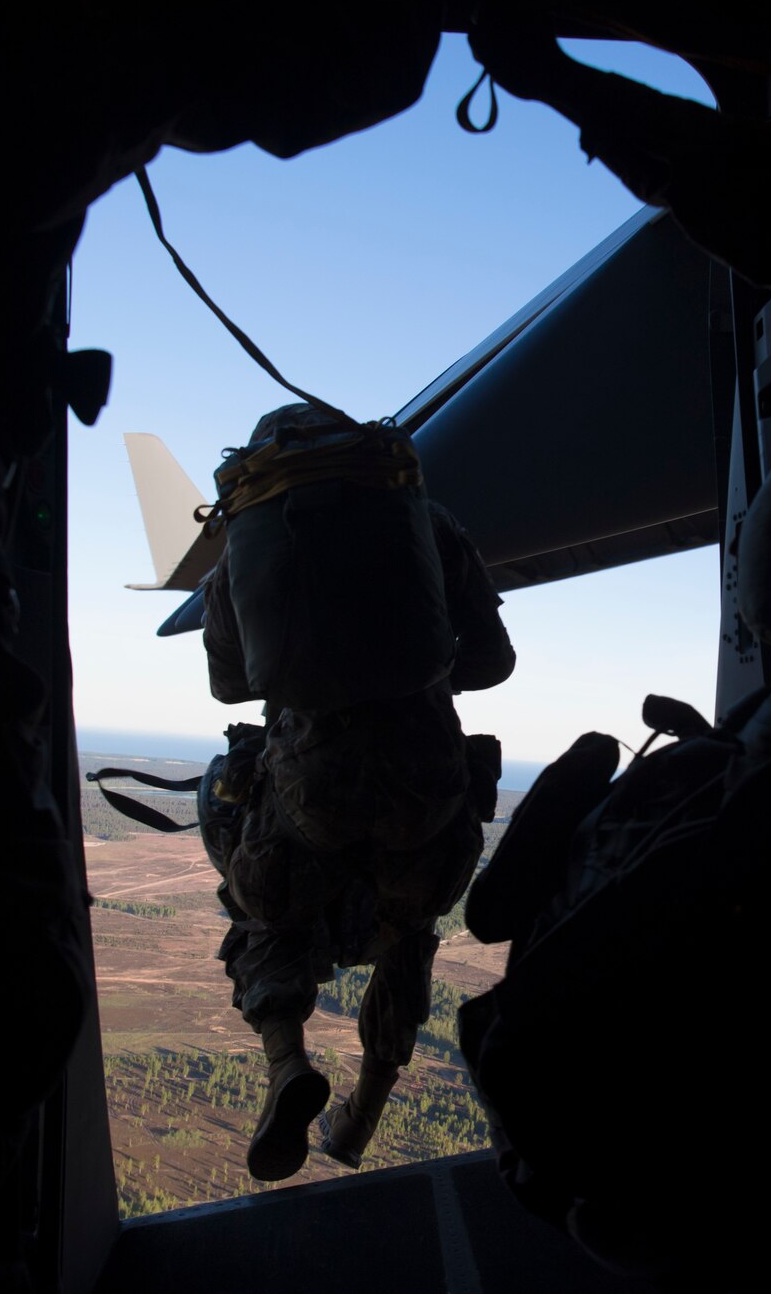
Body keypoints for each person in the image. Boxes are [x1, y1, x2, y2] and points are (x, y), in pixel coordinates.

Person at [199, 402, 515, 1180]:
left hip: (313, 790)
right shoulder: (428, 524)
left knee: (260, 895)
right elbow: (494, 660)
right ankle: (365, 1109)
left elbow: (229, 684)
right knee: (408, 925)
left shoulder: (246, 545)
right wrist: (423, 669)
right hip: (427, 785)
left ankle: (286, 1063)